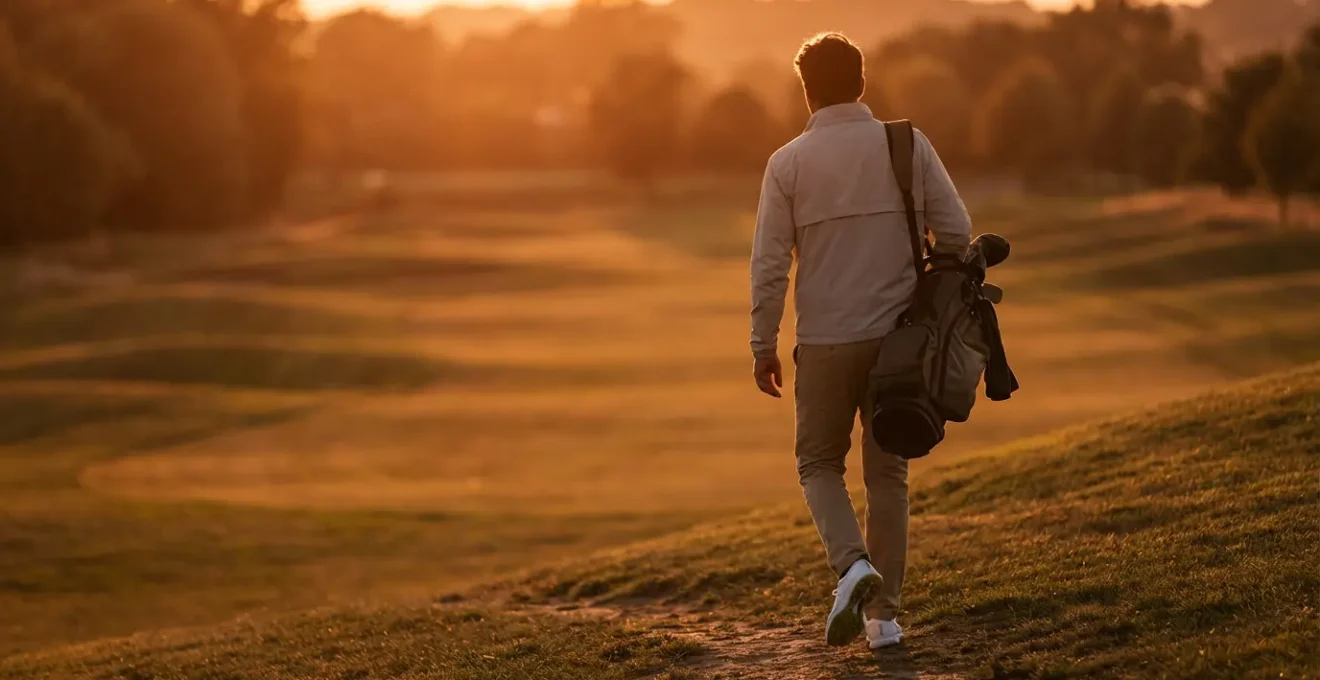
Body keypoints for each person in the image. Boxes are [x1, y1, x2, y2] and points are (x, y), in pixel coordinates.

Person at [748, 32, 972, 649]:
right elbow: (956, 233)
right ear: (862, 83)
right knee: (888, 475)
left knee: (818, 462)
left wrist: (762, 343)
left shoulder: (787, 163)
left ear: (806, 92)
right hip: (898, 343)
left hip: (823, 342)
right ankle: (884, 622)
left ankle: (851, 567)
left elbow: (769, 266)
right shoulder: (907, 144)